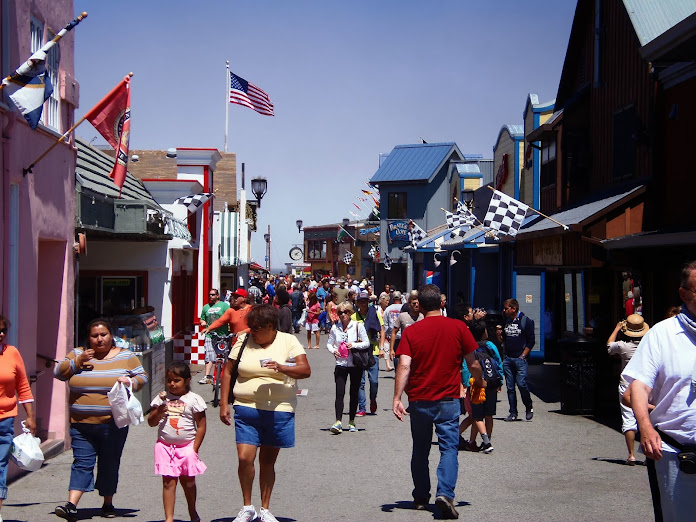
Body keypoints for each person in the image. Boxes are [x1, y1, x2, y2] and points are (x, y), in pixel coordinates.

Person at [392, 284, 484, 519]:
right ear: (441, 303)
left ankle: (421, 497)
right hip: (448, 399)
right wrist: (479, 381)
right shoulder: (458, 327)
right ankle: (445, 494)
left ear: (420, 306)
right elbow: (473, 363)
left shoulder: (412, 332)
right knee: (449, 449)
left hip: (420, 399)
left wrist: (397, 397)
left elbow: (404, 365)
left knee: (420, 449)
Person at [219, 305, 311, 522]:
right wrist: (224, 403)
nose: (252, 332)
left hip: (278, 409)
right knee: (244, 458)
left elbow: (305, 370)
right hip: (246, 407)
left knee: (267, 462)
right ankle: (247, 507)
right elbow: (228, 371)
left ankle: (265, 509)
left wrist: (281, 367)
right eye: (250, 328)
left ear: (270, 327)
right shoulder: (243, 341)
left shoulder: (288, 341)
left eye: (256, 329)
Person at [53, 318, 148, 520]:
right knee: (81, 462)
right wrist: (77, 363)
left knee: (109, 463)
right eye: (94, 336)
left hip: (112, 424)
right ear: (88, 338)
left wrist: (130, 381)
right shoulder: (78, 354)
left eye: (103, 334)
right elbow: (58, 372)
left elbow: (142, 377)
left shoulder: (126, 356)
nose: (99, 339)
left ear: (110, 335)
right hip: (81, 425)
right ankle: (71, 505)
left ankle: (107, 503)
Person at [623, 261, 696, 521]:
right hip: (676, 454)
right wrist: (646, 427)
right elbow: (638, 387)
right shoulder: (662, 334)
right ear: (684, 294)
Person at [149, 362, 207, 522]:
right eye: (169, 381)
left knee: (188, 483)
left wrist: (194, 449)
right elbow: (151, 422)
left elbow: (201, 426)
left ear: (187, 380)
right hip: (165, 446)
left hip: (187, 447)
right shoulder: (162, 398)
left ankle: (192, 511)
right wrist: (159, 410)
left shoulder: (194, 400)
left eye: (176, 380)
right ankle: (169, 518)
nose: (172, 384)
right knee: (168, 482)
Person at [0, 315, 36, 519]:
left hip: (4, 420)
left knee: (0, 466)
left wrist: (30, 416)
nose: (2, 334)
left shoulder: (12, 353)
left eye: (3, 330)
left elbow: (23, 387)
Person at [606, 314, 649, 465]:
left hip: (627, 384)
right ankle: (647, 456)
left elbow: (609, 345)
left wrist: (617, 328)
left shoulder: (623, 346)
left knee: (628, 418)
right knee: (645, 418)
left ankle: (631, 455)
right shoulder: (648, 345)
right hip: (645, 384)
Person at [327, 301, 369, 434]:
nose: (343, 315)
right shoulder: (335, 327)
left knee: (354, 393)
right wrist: (333, 350)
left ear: (350, 313)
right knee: (339, 393)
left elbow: (366, 343)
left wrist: (354, 345)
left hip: (355, 364)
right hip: (341, 364)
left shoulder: (357, 326)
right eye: (340, 312)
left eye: (345, 312)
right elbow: (329, 343)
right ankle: (338, 421)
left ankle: (351, 421)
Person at [461, 320, 503, 454]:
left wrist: (466, 383)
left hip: (476, 385)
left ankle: (486, 441)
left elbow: (466, 367)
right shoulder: (490, 345)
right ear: (484, 332)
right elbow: (498, 361)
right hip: (491, 383)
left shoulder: (469, 347)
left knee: (477, 415)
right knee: (489, 415)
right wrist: (499, 380)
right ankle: (485, 440)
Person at [497, 299, 535, 422]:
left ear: (514, 309)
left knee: (521, 384)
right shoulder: (505, 321)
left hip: (520, 359)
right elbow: (502, 340)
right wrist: (499, 334)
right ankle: (513, 412)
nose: (504, 310)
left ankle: (528, 406)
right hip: (508, 358)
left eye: (506, 308)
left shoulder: (525, 321)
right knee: (510, 387)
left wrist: (523, 355)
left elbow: (531, 340)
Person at [353, 289, 383, 416]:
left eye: (366, 301)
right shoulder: (353, 317)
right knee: (360, 382)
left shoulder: (375, 314)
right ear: (357, 303)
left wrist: (381, 347)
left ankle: (373, 399)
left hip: (373, 350)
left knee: (374, 381)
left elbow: (382, 330)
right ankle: (362, 407)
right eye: (361, 302)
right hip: (359, 351)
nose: (364, 304)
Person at [199, 288, 230, 385]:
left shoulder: (224, 306)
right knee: (209, 355)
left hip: (222, 334)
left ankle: (221, 377)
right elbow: (202, 318)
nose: (210, 296)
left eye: (213, 295)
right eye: (210, 295)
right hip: (210, 334)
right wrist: (203, 322)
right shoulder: (206, 307)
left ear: (217, 295)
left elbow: (229, 317)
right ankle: (207, 376)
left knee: (222, 356)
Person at [390, 293, 424, 369]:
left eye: (418, 303)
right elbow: (394, 332)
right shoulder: (402, 316)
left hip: (419, 350)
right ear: (409, 305)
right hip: (405, 349)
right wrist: (391, 349)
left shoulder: (423, 317)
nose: (416, 305)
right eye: (414, 303)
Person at [376, 293, 395, 371]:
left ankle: (387, 365)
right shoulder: (377, 309)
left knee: (386, 346)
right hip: (378, 330)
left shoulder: (388, 309)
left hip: (386, 330)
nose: (388, 302)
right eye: (386, 300)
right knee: (379, 347)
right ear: (382, 301)